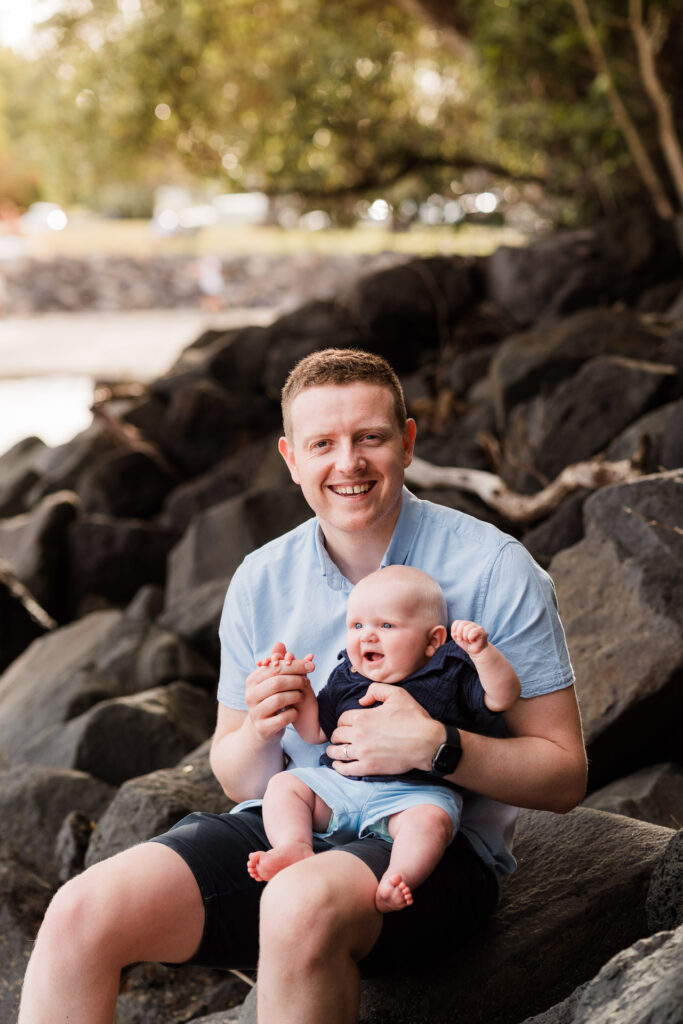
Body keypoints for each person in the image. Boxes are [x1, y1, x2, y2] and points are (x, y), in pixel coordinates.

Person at [18, 348, 587, 1024]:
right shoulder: (262, 578)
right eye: (322, 443)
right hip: (300, 818)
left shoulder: (494, 569)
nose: (346, 463)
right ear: (291, 459)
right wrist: (261, 728)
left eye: (369, 438)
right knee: (79, 913)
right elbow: (238, 777)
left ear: (405, 442)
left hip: (434, 846)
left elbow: (563, 775)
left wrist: (438, 746)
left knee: (296, 903)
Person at [247, 565, 521, 913]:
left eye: (386, 625)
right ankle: (294, 845)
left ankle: (399, 877)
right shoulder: (347, 675)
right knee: (286, 786)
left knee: (430, 822)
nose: (367, 636)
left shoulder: (450, 670)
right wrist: (297, 689)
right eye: (357, 625)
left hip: (414, 795)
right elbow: (315, 731)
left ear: (433, 641)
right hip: (342, 787)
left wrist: (482, 653)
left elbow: (503, 697)